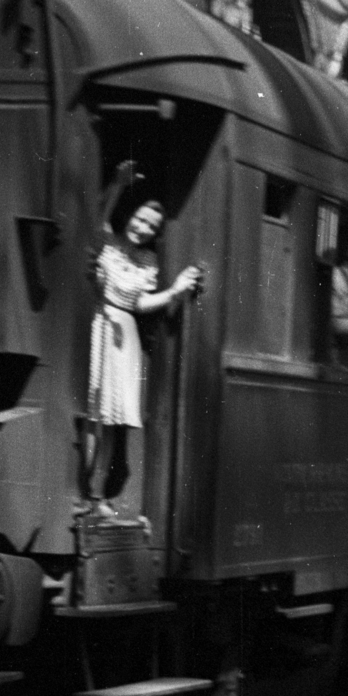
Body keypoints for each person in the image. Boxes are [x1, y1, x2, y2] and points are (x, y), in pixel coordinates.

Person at [88, 189, 201, 512]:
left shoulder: (149, 261)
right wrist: (117, 184)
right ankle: (85, 490)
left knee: (111, 420)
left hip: (125, 334)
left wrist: (175, 291)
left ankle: (97, 495)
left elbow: (140, 303)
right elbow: (98, 222)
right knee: (93, 414)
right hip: (100, 324)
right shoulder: (108, 241)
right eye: (140, 219)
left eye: (152, 226)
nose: (143, 228)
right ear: (129, 216)